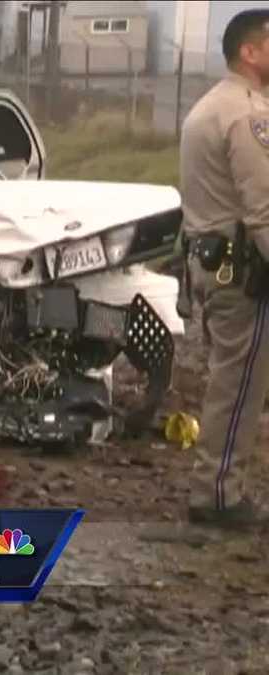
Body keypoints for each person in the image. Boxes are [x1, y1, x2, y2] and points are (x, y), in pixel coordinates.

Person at [178, 8, 269, 527]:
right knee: (237, 385)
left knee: (231, 379)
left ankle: (221, 483)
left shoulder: (214, 105)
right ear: (249, 52)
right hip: (243, 273)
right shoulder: (246, 114)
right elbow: (263, 212)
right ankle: (217, 494)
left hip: (215, 265)